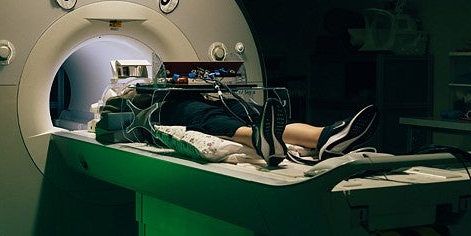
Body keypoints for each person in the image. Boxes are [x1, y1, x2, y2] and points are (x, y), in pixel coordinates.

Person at [98, 88, 379, 166]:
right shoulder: (121, 99)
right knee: (205, 118)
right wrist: (129, 94)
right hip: (169, 111)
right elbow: (107, 116)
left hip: (196, 99)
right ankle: (259, 139)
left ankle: (326, 137)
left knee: (252, 112)